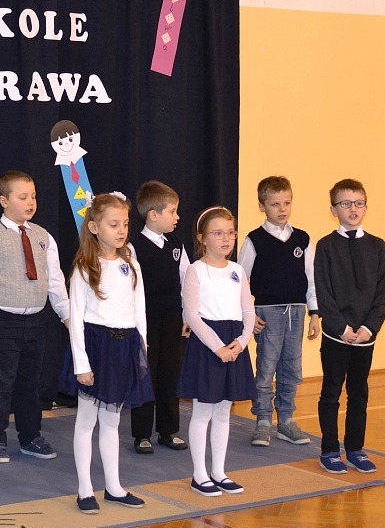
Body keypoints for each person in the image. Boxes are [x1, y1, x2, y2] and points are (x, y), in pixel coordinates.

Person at [0, 170, 70, 463]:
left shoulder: (43, 236)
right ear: (4, 200)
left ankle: (30, 436)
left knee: (31, 383)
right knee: (0, 384)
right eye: (22, 197)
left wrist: (67, 315)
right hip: (0, 320)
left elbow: (55, 280)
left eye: (33, 196)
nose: (30, 202)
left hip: (36, 321)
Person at [65, 192, 152, 514]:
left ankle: (114, 487)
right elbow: (76, 319)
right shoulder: (85, 267)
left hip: (124, 345)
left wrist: (141, 350)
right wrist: (82, 364)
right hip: (96, 346)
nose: (121, 230)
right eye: (113, 224)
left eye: (125, 224)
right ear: (94, 227)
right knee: (87, 421)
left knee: (112, 422)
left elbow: (139, 310)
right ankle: (85, 489)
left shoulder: (130, 263)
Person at [178, 206, 256, 497]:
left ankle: (219, 472)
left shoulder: (237, 271)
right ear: (202, 238)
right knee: (203, 412)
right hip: (208, 346)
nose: (226, 238)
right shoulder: (196, 270)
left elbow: (248, 311)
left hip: (233, 343)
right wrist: (218, 347)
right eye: (218, 233)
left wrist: (242, 342)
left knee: (224, 411)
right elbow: (192, 314)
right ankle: (199, 474)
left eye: (231, 233)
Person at [314, 179, 385, 475]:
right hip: (337, 336)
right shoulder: (326, 246)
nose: (353, 209)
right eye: (345, 204)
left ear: (366, 208)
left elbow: (381, 293)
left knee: (359, 393)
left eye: (358, 203)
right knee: (331, 392)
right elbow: (324, 292)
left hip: (365, 337)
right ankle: (330, 450)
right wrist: (341, 328)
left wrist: (369, 328)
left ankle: (356, 449)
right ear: (334, 210)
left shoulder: (378, 246)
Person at [238, 176, 320, 447]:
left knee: (291, 367)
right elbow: (240, 281)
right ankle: (263, 421)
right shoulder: (255, 240)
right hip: (267, 312)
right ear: (262, 206)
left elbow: (311, 278)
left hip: (296, 312)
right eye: (275, 204)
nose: (282, 209)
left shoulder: (302, 239)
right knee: (266, 366)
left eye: (287, 203)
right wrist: (249, 315)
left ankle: (286, 420)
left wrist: (314, 313)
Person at [129, 181, 191, 454]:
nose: (177, 217)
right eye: (172, 211)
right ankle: (141, 433)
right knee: (146, 375)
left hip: (172, 320)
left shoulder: (176, 244)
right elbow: (129, 287)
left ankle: (168, 430)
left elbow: (187, 279)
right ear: (153, 215)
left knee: (170, 374)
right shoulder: (134, 247)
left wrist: (188, 314)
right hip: (146, 321)